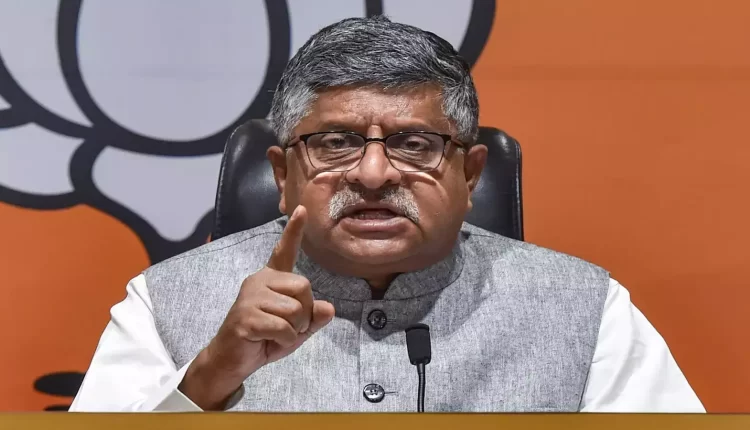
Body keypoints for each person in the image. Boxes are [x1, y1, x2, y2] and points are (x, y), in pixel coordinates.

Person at [70, 16, 704, 413]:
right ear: (283, 175)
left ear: (471, 174)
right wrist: (207, 381)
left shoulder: (585, 308)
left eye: (415, 144)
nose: (373, 174)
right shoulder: (165, 301)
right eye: (335, 142)